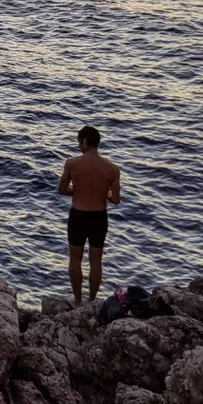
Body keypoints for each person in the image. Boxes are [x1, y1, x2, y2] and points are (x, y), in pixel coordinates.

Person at [58, 125, 121, 305]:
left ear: (85, 142)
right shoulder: (112, 168)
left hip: (78, 215)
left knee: (75, 259)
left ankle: (78, 300)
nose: (79, 145)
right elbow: (116, 199)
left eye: (79, 142)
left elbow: (62, 189)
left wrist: (78, 191)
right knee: (96, 260)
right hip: (99, 217)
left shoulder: (72, 163)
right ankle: (93, 300)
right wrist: (102, 194)